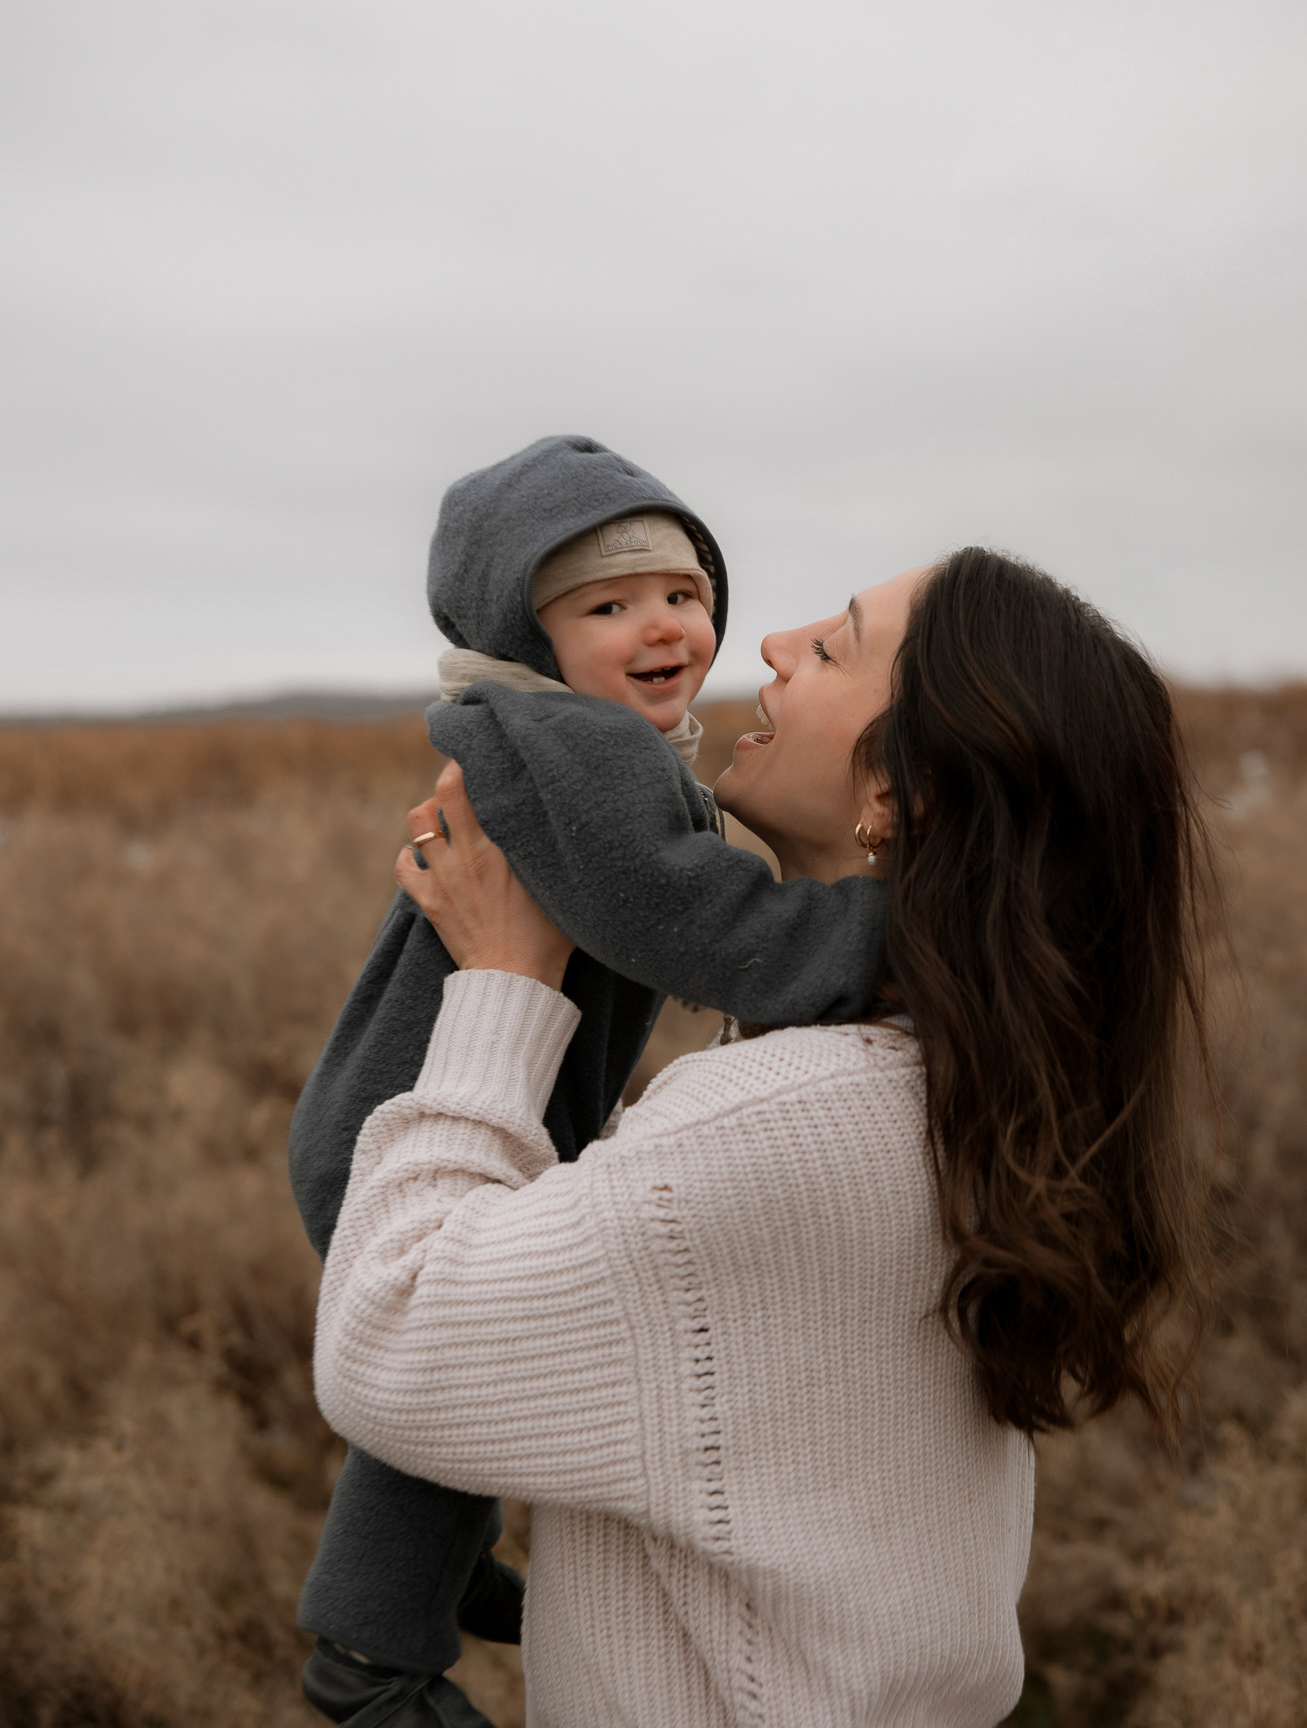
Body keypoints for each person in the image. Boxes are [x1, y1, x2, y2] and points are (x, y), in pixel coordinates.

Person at [313, 548, 1214, 1728]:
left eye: (833, 644)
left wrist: (503, 982)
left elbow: (387, 1340)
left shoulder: (782, 1131)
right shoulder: (965, 1086)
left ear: (896, 792)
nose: (773, 642)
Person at [290, 436, 890, 1726]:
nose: (658, 625)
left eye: (678, 591)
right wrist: (872, 938)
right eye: (604, 607)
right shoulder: (577, 747)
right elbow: (682, 918)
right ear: (533, 634)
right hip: (410, 1112)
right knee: (444, 1371)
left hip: (465, 1091)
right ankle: (369, 1657)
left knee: (476, 1363)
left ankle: (445, 1571)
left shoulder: (594, 737)